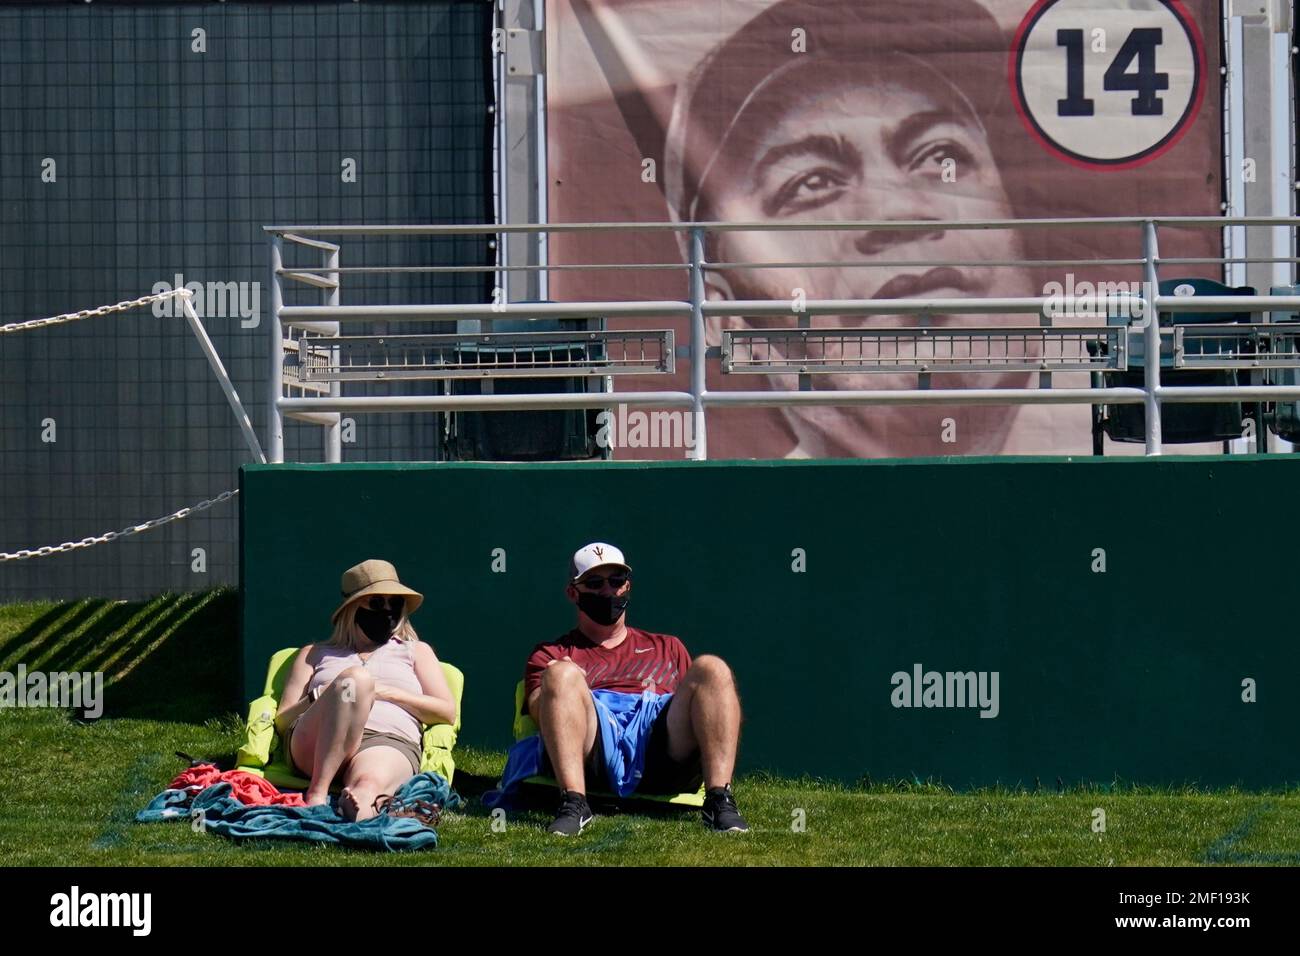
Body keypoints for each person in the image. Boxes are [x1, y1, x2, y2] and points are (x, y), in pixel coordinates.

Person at [662, 0, 1075, 457]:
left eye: (941, 156)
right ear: (724, 314)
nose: (896, 210)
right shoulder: (732, 525)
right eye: (812, 183)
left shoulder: (1141, 471)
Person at [519, 542, 748, 835]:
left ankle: (719, 800)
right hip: (594, 750)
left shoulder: (668, 646)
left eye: (616, 581)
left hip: (661, 750)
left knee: (713, 668)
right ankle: (574, 802)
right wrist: (567, 681)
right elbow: (540, 713)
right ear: (572, 593)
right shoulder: (552, 653)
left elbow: (697, 712)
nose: (607, 591)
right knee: (560, 674)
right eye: (594, 582)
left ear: (627, 586)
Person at [275, 559, 457, 822]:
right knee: (355, 680)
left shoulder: (416, 651)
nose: (387, 611)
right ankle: (317, 793)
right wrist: (321, 696)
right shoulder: (314, 654)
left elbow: (446, 712)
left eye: (394, 603)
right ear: (351, 608)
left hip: (385, 738)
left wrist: (383, 692)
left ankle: (361, 806)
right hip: (316, 741)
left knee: (369, 783)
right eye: (375, 602)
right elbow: (282, 720)